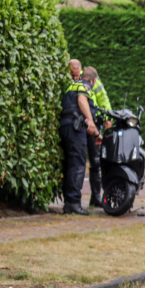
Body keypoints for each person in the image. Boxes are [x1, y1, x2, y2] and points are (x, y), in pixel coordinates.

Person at [60, 60, 99, 215]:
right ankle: (74, 203)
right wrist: (90, 121)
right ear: (94, 80)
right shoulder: (85, 86)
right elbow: (82, 101)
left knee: (69, 165)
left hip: (65, 127)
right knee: (78, 165)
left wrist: (97, 134)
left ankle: (68, 203)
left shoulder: (71, 85)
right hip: (76, 129)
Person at [81, 66, 112, 207]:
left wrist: (108, 117)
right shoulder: (79, 81)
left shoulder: (95, 82)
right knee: (80, 162)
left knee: (96, 162)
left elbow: (103, 99)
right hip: (82, 124)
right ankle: (76, 200)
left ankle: (96, 197)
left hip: (94, 125)